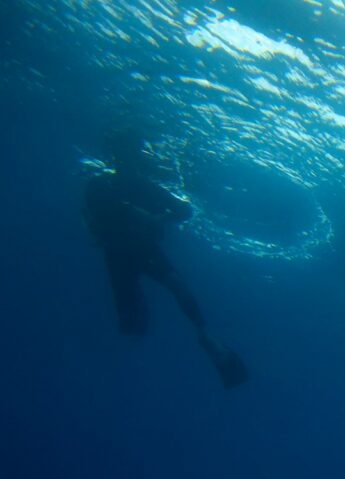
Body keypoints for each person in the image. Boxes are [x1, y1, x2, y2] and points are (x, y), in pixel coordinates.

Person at [83, 131, 248, 388]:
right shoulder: (105, 185)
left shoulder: (132, 185)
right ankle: (202, 337)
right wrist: (137, 213)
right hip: (126, 252)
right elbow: (96, 208)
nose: (130, 161)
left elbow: (184, 210)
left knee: (165, 296)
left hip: (132, 251)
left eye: (132, 156)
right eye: (127, 156)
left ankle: (205, 338)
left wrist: (157, 218)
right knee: (137, 318)